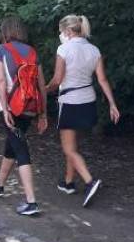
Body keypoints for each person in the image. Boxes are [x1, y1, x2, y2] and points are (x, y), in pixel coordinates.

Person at [46, 15, 121, 207]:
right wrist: (112, 104)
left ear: (69, 31)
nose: (61, 35)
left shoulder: (64, 49)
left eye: (62, 31)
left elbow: (57, 80)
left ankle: (90, 182)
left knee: (68, 149)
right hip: (88, 101)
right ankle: (68, 182)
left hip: (69, 101)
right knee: (73, 146)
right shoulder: (94, 50)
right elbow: (102, 80)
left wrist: (41, 91)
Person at [0, 16, 48, 216]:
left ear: (5, 32)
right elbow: (41, 86)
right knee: (12, 144)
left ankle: (31, 201)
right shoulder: (32, 52)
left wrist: (5, 110)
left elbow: (1, 81)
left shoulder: (1, 50)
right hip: (30, 106)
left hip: (12, 106)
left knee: (20, 147)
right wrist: (43, 114)